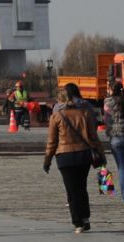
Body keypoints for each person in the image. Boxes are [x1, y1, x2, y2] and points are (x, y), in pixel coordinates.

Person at [43, 82, 105, 232]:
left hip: (65, 157)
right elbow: (93, 137)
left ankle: (77, 222)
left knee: (71, 190)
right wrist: (101, 154)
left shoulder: (56, 116)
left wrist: (47, 160)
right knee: (82, 187)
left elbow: (52, 142)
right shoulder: (84, 113)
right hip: (83, 155)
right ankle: (85, 218)